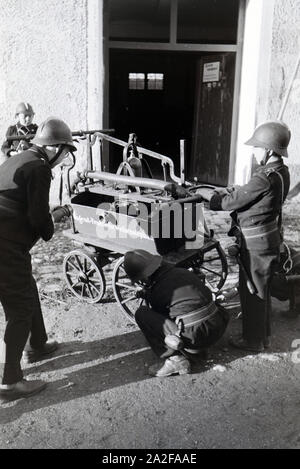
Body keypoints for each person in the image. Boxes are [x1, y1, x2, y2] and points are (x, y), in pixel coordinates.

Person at [0, 117, 76, 402]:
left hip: (6, 242)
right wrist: (55, 218)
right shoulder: (40, 168)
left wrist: (45, 213)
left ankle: (38, 343)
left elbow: (23, 202)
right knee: (18, 309)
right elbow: (38, 219)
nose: (65, 157)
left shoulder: (20, 158)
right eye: (66, 151)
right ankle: (10, 382)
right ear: (54, 148)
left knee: (27, 288)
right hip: (5, 248)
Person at [207, 120, 291, 352]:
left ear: (269, 149)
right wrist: (239, 189)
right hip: (268, 237)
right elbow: (252, 195)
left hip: (254, 242)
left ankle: (253, 341)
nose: (254, 152)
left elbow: (228, 202)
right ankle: (263, 337)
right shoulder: (281, 171)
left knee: (252, 291)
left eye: (257, 147)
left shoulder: (263, 177)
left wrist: (212, 197)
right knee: (261, 289)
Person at [123, 249, 229, 377]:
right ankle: (198, 346)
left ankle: (177, 360)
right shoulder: (182, 272)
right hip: (219, 324)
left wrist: (149, 296)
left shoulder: (156, 291)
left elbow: (163, 320)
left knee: (142, 314)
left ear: (145, 276)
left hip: (197, 337)